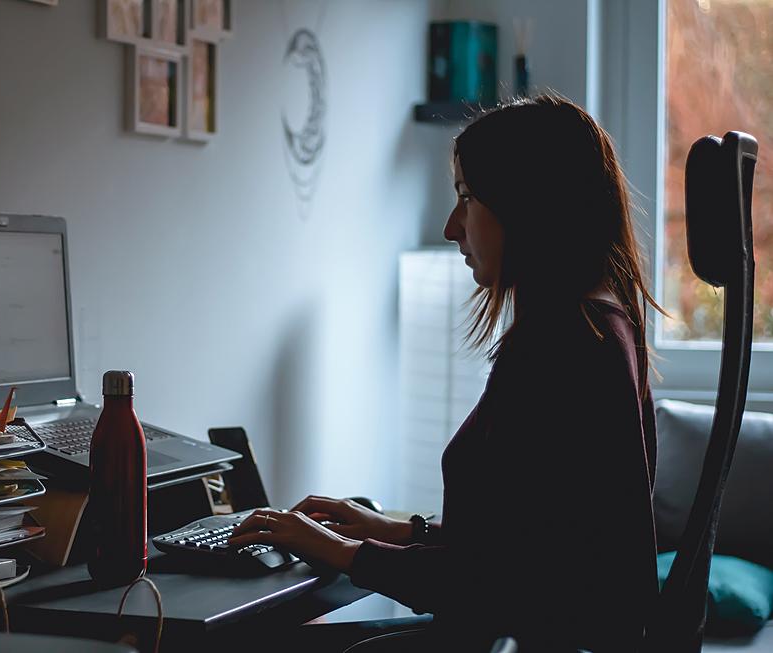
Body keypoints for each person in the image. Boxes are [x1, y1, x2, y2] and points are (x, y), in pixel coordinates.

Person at [229, 94, 662, 653]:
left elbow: (498, 585)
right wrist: (400, 531)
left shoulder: (563, 342)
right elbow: (533, 542)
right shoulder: (601, 325)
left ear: (527, 203)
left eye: (467, 198)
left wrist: (339, 551)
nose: (451, 226)